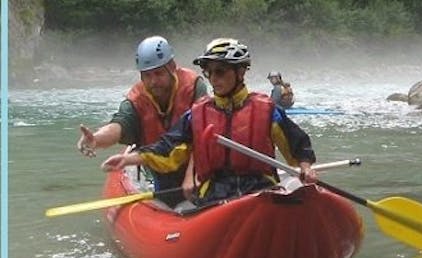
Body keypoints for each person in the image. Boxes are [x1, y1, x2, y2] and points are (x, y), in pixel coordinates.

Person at [101, 38, 317, 206]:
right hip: (215, 195)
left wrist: (306, 168)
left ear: (240, 72)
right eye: (209, 72)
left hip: (261, 191)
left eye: (220, 71)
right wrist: (127, 160)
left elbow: (298, 147)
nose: (213, 78)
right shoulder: (197, 114)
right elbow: (167, 149)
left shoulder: (267, 111)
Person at [76, 36, 208, 207]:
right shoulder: (136, 99)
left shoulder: (194, 87)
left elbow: (202, 134)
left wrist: (192, 174)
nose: (153, 81)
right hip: (160, 167)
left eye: (158, 73)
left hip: (195, 163)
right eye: (147, 75)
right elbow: (119, 125)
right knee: (166, 196)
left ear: (172, 67)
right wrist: (96, 139)